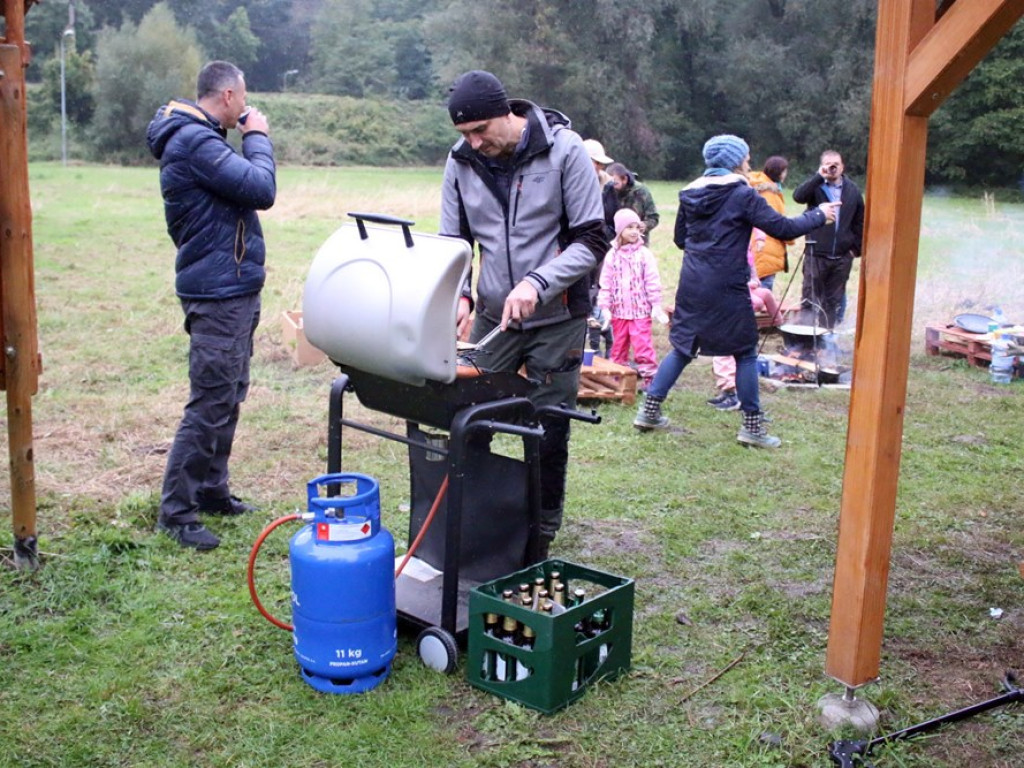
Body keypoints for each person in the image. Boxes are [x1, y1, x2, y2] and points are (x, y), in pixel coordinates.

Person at [439, 70, 607, 558]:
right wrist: (462, 296)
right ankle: (478, 518)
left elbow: (593, 239)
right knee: (468, 414)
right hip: (494, 315)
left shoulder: (566, 151)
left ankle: (541, 528)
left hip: (559, 316)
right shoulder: (460, 162)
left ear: (507, 114)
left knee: (548, 423)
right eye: (465, 134)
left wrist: (539, 282)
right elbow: (455, 243)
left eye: (481, 130)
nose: (474, 142)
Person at [633, 135, 838, 447]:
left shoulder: (689, 193)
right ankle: (752, 428)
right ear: (734, 161)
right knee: (744, 351)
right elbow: (782, 229)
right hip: (727, 282)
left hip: (692, 281)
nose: (749, 163)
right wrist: (819, 215)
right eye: (746, 157)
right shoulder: (742, 193)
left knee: (683, 347)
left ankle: (648, 411)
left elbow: (680, 239)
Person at [146, 61, 276, 550]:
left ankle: (211, 490)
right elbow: (261, 189)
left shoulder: (201, 138)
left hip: (231, 287)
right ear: (226, 97)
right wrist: (257, 136)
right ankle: (177, 512)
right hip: (217, 294)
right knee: (209, 403)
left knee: (230, 393)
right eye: (243, 99)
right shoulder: (195, 142)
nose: (246, 108)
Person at [706, 240, 785, 411]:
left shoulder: (733, 248)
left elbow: (754, 287)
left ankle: (731, 393)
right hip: (734, 306)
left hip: (731, 309)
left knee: (724, 354)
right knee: (736, 355)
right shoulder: (738, 247)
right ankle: (732, 392)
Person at [792, 150, 865, 328]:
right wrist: (819, 176)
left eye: (836, 165)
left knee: (833, 302)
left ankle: (825, 343)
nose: (832, 168)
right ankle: (805, 343)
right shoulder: (816, 187)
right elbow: (798, 196)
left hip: (842, 257)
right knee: (810, 299)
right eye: (828, 164)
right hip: (816, 253)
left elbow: (860, 222)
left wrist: (855, 249)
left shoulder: (853, 190)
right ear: (822, 166)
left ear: (842, 167)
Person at [597, 209, 669, 389]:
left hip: (640, 312)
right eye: (629, 227)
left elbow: (652, 281)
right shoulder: (611, 256)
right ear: (619, 230)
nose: (634, 231)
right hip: (619, 312)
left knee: (643, 346)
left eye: (637, 227)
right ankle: (618, 379)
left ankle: (650, 380)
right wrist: (605, 308)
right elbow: (605, 283)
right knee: (618, 347)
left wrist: (656, 305)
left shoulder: (644, 254)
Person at [747, 155, 791, 291]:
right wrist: (790, 235)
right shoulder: (769, 193)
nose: (786, 174)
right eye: (784, 170)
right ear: (779, 172)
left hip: (760, 246)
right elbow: (776, 222)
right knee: (762, 290)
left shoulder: (766, 189)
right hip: (766, 247)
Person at [602, 162, 659, 244]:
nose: (612, 186)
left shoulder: (641, 191)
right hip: (614, 242)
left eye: (615, 183)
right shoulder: (607, 191)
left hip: (637, 243)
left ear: (624, 179)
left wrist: (644, 225)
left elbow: (653, 217)